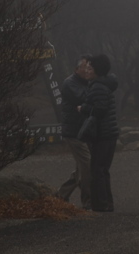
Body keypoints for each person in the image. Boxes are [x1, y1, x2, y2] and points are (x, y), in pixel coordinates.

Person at [79, 53, 119, 212]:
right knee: (102, 170)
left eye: (90, 68)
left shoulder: (97, 86)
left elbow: (100, 110)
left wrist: (83, 108)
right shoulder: (104, 84)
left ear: (97, 70)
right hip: (109, 134)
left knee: (97, 170)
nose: (86, 71)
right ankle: (107, 204)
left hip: (103, 134)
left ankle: (101, 205)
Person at [57, 56, 93, 207]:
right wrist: (96, 88)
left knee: (81, 168)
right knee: (87, 164)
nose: (88, 70)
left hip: (83, 130)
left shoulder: (86, 82)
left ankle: (60, 196)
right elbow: (83, 98)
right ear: (77, 69)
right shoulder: (70, 83)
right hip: (73, 132)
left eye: (90, 67)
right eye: (85, 67)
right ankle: (88, 202)